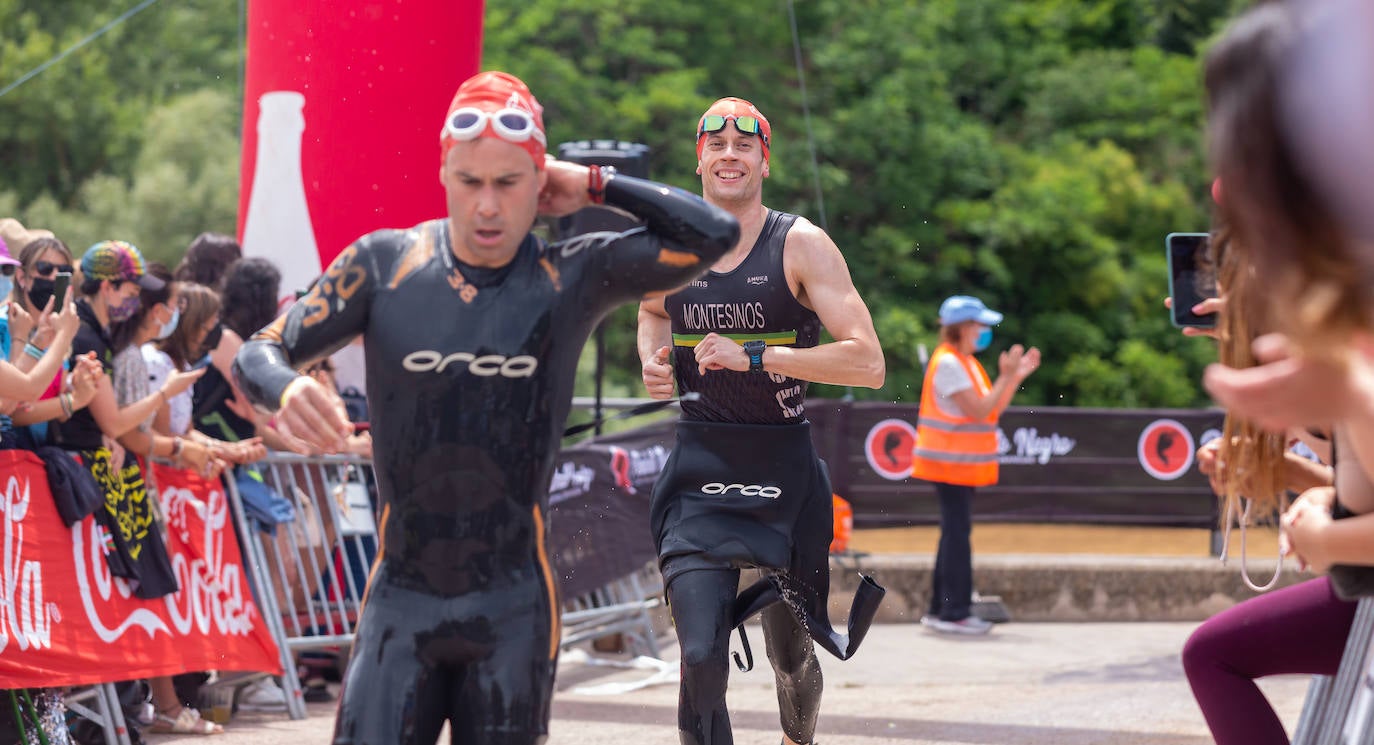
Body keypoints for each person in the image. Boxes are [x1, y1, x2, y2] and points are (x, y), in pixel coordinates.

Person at [233, 70, 738, 745]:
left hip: (512, 609)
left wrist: (594, 183)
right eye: (470, 182)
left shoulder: (570, 276)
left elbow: (715, 233)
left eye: (509, 183)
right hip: (400, 603)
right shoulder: (384, 266)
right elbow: (259, 350)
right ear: (443, 173)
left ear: (541, 183)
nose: (488, 206)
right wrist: (287, 386)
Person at [637, 96, 885, 745]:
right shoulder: (672, 245)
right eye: (715, 144)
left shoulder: (800, 243)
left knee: (791, 658)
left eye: (743, 146)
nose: (728, 154)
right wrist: (652, 361)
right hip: (701, 470)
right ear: (699, 160)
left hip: (783, 474)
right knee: (698, 657)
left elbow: (869, 363)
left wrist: (756, 355)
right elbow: (652, 309)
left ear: (762, 162)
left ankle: (796, 740)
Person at [911, 296, 1040, 635]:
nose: (984, 331)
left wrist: (1012, 377)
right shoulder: (951, 363)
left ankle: (944, 610)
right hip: (949, 464)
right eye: (979, 325)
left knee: (953, 534)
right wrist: (1008, 376)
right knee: (957, 535)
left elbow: (991, 407)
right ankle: (954, 613)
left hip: (956, 465)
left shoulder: (964, 362)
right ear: (963, 328)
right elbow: (982, 410)